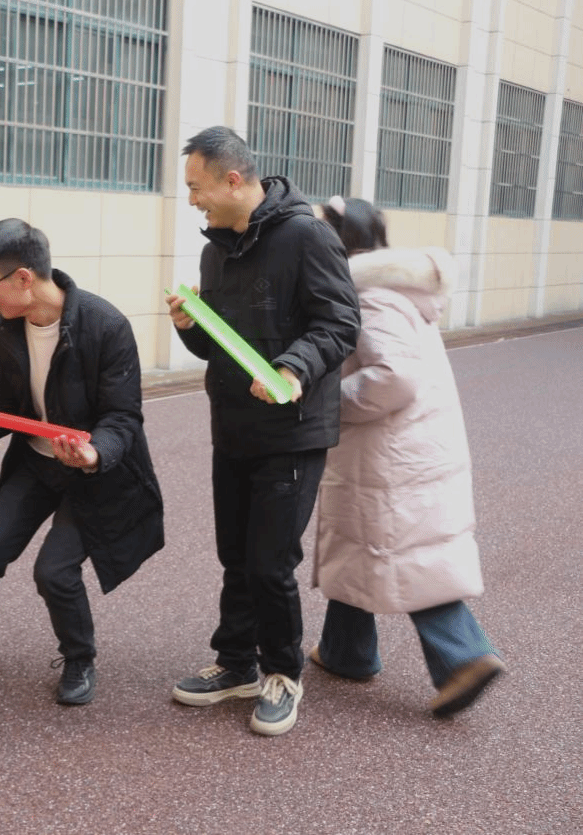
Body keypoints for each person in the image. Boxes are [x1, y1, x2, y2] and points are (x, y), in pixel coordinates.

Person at [0, 218, 165, 709]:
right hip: (36, 463)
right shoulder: (8, 328)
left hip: (92, 473)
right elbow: (9, 406)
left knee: (54, 571)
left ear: (23, 277)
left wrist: (94, 452)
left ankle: (79, 658)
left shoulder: (105, 325)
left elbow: (123, 416)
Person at [165, 126, 361, 736]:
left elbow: (340, 322)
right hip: (233, 426)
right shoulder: (216, 250)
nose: (191, 201)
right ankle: (236, 664)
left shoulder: (307, 236)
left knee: (270, 563)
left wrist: (293, 367)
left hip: (293, 430)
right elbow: (219, 346)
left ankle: (282, 673)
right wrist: (190, 327)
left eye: (196, 187)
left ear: (232, 179)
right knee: (236, 556)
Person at [311, 196, 505, 716]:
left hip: (390, 451)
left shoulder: (371, 295)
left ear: (340, 241)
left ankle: (465, 656)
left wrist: (325, 402)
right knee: (363, 542)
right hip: (401, 445)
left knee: (402, 550)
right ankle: (345, 651)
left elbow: (393, 377)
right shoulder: (387, 288)